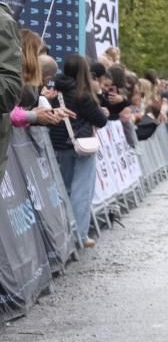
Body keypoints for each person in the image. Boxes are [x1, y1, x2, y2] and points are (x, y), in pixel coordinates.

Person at [48, 55, 108, 247]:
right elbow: (101, 120)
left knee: (63, 190)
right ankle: (79, 235)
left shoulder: (53, 91)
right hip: (81, 145)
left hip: (58, 144)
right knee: (81, 191)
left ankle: (62, 233)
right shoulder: (82, 95)